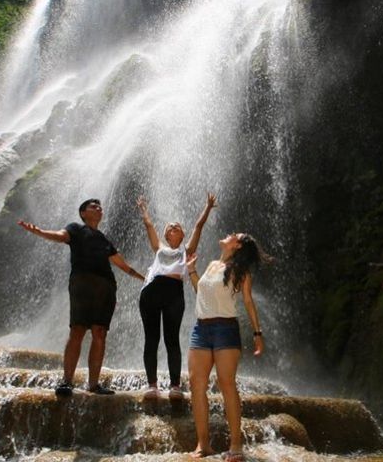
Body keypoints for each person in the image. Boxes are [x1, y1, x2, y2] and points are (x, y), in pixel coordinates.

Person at [18, 198, 144, 396]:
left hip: (106, 286)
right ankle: (67, 381)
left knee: (100, 332)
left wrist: (145, 279)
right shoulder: (76, 229)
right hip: (81, 283)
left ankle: (94, 385)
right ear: (83, 213)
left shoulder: (104, 240)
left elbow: (123, 265)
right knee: (77, 329)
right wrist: (39, 232)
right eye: (93, 206)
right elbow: (60, 236)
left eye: (100, 207)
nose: (99, 209)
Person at [185, 233, 270, 461]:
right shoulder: (212, 264)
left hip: (225, 329)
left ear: (238, 245)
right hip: (201, 329)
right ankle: (203, 444)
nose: (228, 234)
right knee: (196, 385)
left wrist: (257, 334)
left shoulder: (241, 270)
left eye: (234, 235)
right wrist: (192, 271)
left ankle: (236, 445)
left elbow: (249, 302)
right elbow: (201, 294)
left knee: (226, 384)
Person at [136, 193, 217, 399]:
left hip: (174, 292)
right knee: (151, 339)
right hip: (151, 292)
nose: (173, 227)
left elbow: (198, 227)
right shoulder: (159, 249)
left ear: (182, 235)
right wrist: (144, 209)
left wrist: (207, 207)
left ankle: (175, 386)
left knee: (172, 339)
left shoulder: (186, 250)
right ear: (165, 234)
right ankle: (152, 385)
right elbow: (149, 226)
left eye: (177, 227)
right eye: (170, 227)